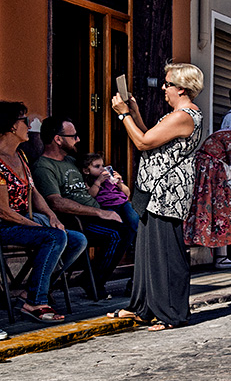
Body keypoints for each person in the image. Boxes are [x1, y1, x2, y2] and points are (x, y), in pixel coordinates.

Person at [109, 63, 204, 330]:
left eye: (168, 83)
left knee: (166, 254)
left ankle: (172, 313)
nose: (163, 87)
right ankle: (142, 308)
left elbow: (142, 143)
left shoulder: (184, 115)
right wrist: (135, 113)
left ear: (182, 88)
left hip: (167, 192)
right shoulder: (176, 114)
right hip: (154, 189)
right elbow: (150, 137)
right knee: (147, 252)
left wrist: (123, 115)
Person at [0, 101, 87, 323]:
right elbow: (4, 211)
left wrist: (51, 216)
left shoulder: (21, 156)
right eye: (24, 121)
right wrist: (37, 226)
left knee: (77, 239)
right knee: (54, 237)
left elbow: (33, 191)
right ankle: (36, 301)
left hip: (24, 222)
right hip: (6, 225)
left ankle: (32, 290)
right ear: (11, 126)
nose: (29, 126)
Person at [32, 116, 127, 292]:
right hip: (76, 220)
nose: (78, 139)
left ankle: (132, 283)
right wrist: (99, 213)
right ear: (58, 139)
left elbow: (93, 180)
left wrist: (112, 179)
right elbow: (56, 202)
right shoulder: (44, 167)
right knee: (118, 234)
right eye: (73, 136)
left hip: (94, 212)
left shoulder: (72, 161)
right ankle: (94, 281)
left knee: (133, 224)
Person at [186, 117, 231, 268]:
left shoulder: (225, 134)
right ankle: (221, 256)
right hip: (213, 178)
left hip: (208, 177)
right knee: (223, 211)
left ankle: (221, 255)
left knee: (217, 213)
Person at [82, 153, 139, 241]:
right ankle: (125, 240)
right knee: (117, 225)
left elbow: (127, 193)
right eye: (97, 166)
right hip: (106, 207)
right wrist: (98, 182)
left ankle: (131, 240)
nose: (102, 169)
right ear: (86, 171)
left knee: (134, 218)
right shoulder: (89, 181)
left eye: (103, 165)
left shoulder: (110, 178)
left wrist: (119, 183)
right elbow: (91, 195)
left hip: (123, 203)